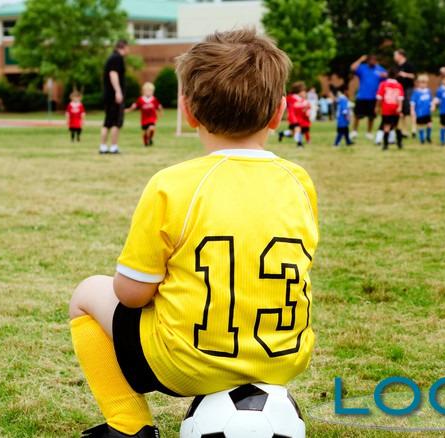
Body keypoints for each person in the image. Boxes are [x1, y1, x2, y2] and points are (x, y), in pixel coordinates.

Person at [69, 29, 319, 438]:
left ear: (188, 111)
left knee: (86, 294)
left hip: (185, 364)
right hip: (282, 358)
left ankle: (128, 425)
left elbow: (131, 295)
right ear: (279, 112)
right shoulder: (299, 181)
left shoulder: (173, 184)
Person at [100, 40, 129, 155]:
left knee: (107, 121)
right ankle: (113, 147)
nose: (128, 50)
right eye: (127, 47)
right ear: (123, 47)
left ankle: (103, 147)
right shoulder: (117, 58)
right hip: (114, 96)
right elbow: (113, 74)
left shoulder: (112, 57)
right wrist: (118, 91)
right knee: (116, 122)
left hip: (109, 95)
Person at [350, 54, 386, 140]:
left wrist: (385, 76)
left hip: (373, 97)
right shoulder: (362, 68)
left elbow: (386, 76)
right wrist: (360, 59)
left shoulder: (379, 69)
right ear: (368, 61)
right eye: (371, 60)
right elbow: (352, 68)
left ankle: (369, 132)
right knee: (357, 115)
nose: (372, 62)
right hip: (362, 96)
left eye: (374, 60)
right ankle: (354, 131)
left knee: (371, 116)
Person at [125, 82, 163, 147]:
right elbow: (135, 106)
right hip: (144, 119)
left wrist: (160, 111)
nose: (148, 92)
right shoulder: (141, 99)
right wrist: (128, 110)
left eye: (150, 91)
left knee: (151, 128)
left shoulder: (154, 99)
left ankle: (150, 138)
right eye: (147, 91)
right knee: (145, 132)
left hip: (152, 118)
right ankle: (146, 142)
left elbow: (158, 106)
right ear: (143, 91)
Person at [376, 68, 405, 150]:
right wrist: (400, 107)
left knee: (386, 126)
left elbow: (379, 97)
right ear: (396, 76)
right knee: (397, 126)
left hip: (386, 109)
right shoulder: (399, 85)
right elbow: (400, 98)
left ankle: (385, 145)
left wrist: (377, 107)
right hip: (395, 108)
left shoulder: (383, 84)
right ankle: (399, 143)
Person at [393, 49, 416, 140]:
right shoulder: (396, 66)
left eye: (395, 55)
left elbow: (414, 76)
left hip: (408, 89)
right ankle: (403, 130)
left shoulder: (408, 65)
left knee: (409, 110)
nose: (394, 57)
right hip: (399, 90)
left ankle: (413, 129)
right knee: (401, 111)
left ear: (401, 55)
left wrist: (405, 74)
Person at [410, 74, 434, 144]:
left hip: (427, 112)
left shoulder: (428, 91)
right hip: (420, 112)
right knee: (421, 125)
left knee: (429, 124)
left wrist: (432, 106)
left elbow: (431, 101)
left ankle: (428, 137)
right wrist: (412, 110)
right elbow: (412, 102)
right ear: (418, 83)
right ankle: (422, 139)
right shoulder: (416, 92)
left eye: (424, 83)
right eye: (421, 83)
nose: (423, 85)